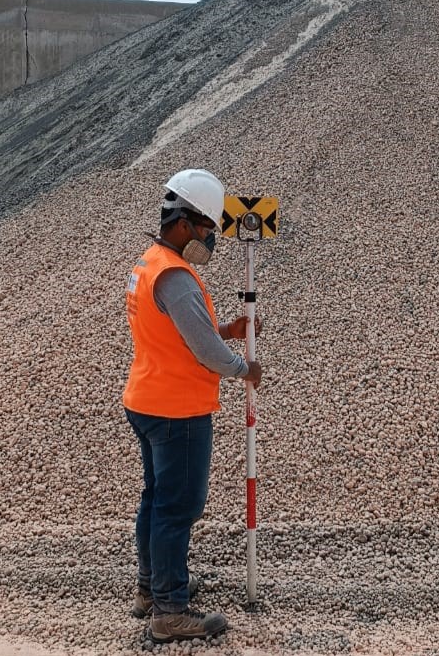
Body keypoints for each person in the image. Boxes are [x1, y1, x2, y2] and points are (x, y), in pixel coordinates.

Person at [122, 168, 262, 644]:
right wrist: (244, 369)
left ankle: (152, 588)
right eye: (206, 229)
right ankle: (171, 611)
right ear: (183, 222)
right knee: (178, 509)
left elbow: (180, 334)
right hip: (176, 410)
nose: (209, 240)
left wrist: (224, 330)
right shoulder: (177, 277)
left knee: (155, 501)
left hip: (147, 398)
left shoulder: (150, 263)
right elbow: (202, 351)